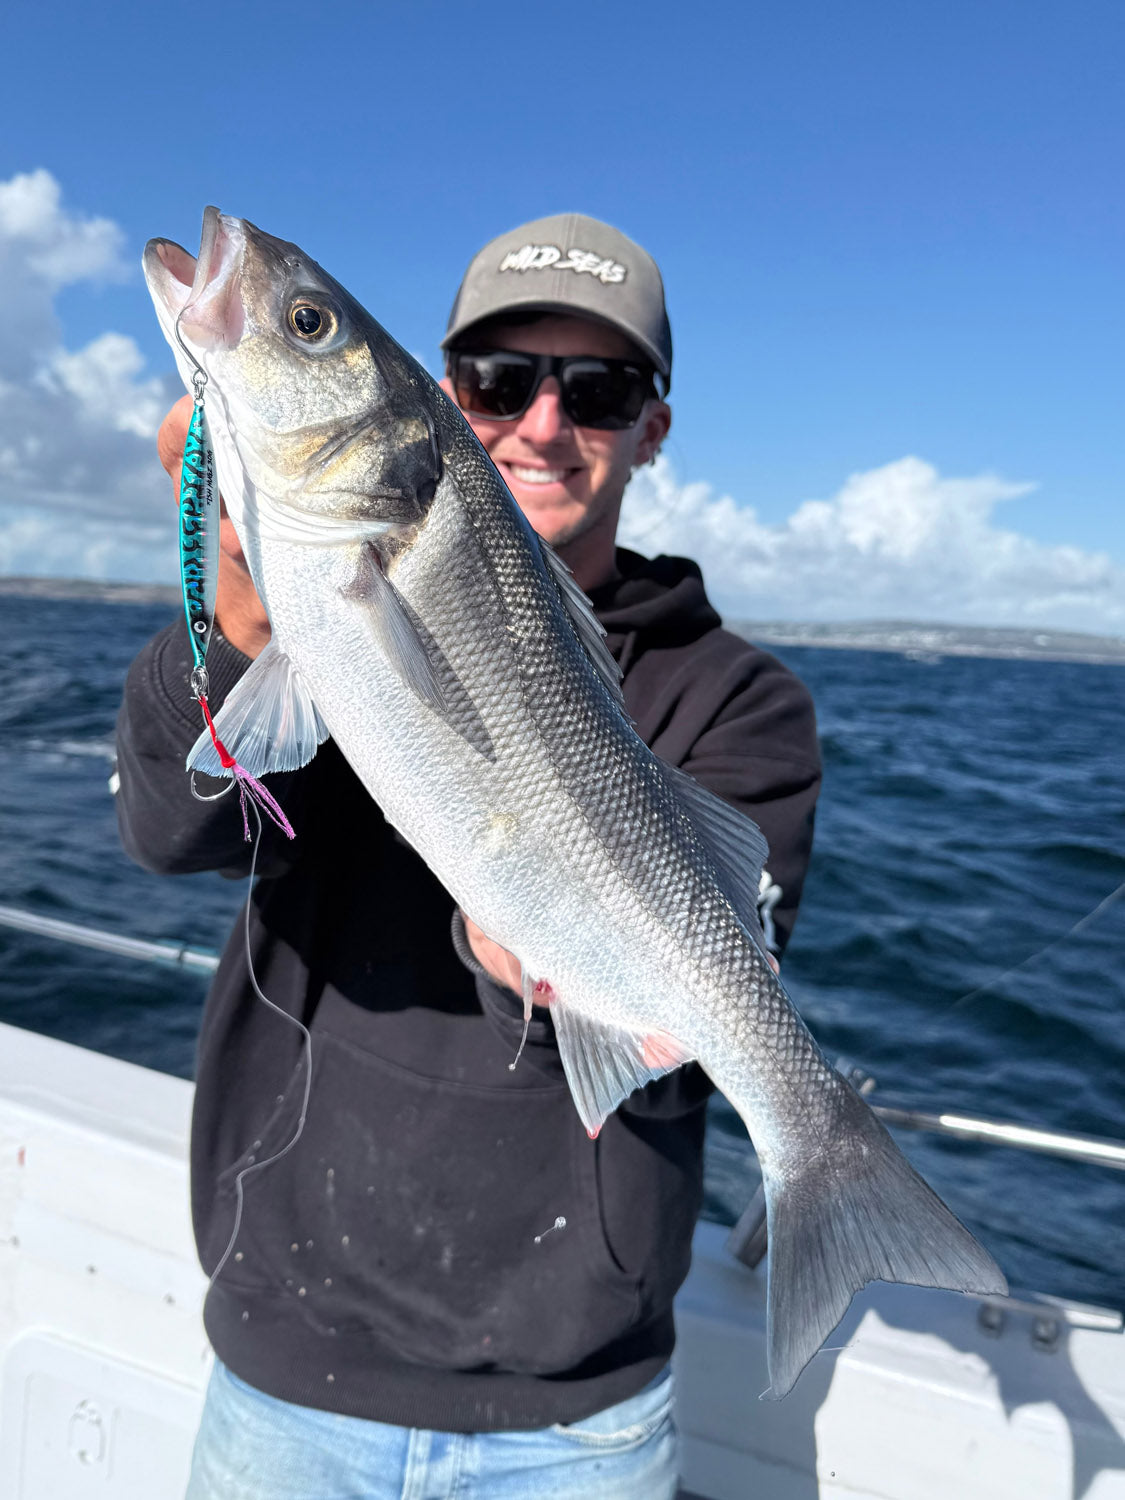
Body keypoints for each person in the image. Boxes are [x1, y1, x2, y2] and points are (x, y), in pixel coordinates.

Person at [115, 212, 822, 1499]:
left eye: (599, 390)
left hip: (581, 1413)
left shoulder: (740, 700)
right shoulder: (296, 576)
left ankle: (830, 1160)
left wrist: (534, 958)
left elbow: (696, 1018)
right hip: (288, 1360)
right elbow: (170, 830)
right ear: (442, 401)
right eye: (501, 380)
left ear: (653, 427)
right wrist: (232, 622)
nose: (544, 425)